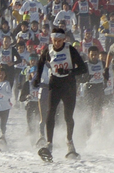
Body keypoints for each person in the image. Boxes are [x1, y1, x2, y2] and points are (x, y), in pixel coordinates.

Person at [34, 27, 87, 161]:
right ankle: (49, 144)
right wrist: (37, 78)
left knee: (68, 116)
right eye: (55, 40)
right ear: (52, 39)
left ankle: (69, 143)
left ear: (64, 39)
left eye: (60, 41)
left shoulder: (70, 50)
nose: (57, 43)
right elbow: (40, 63)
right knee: (50, 112)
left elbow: (83, 68)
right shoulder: (48, 50)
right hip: (55, 84)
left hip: (69, 85)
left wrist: (69, 72)